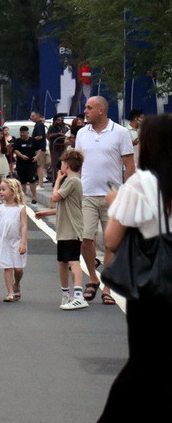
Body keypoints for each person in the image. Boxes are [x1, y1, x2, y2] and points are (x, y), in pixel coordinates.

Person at [83, 114, 172, 423]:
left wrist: (114, 203)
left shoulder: (142, 183)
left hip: (153, 287)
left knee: (144, 362)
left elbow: (112, 239)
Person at [74, 96, 134, 306]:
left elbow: (129, 165)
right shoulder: (82, 133)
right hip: (87, 194)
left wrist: (127, 192)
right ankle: (93, 277)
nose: (85, 111)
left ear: (101, 110)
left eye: (89, 107)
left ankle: (106, 286)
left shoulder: (120, 132)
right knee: (85, 239)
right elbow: (77, 163)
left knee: (111, 243)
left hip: (112, 196)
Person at [35, 149, 88, 310]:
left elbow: (54, 197)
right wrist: (47, 212)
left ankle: (78, 295)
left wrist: (58, 179)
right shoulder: (72, 181)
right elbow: (64, 206)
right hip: (65, 228)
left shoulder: (72, 181)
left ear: (67, 165)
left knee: (73, 260)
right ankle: (66, 294)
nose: (61, 167)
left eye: (63, 164)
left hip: (72, 228)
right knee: (62, 262)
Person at [0, 178, 28, 302]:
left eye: (4, 189)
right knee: (7, 266)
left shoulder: (21, 208)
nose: (1, 192)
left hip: (17, 240)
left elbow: (24, 226)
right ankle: (10, 293)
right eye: (0, 189)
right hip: (3, 241)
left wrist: (23, 242)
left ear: (13, 191)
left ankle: (17, 283)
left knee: (18, 268)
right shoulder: (0, 208)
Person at [11, 125, 40, 204]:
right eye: (21, 133)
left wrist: (37, 157)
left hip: (31, 163)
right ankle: (22, 197)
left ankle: (34, 196)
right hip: (21, 163)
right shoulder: (18, 141)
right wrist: (21, 156)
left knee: (32, 180)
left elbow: (39, 149)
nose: (22, 134)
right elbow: (15, 150)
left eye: (24, 133)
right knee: (22, 181)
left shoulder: (33, 140)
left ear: (27, 132)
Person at [30, 111, 48, 187]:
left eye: (33, 116)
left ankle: (41, 183)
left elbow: (40, 136)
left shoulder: (40, 125)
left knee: (39, 166)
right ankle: (40, 182)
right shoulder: (37, 125)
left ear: (38, 116)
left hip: (39, 148)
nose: (31, 117)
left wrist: (32, 139)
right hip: (37, 148)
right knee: (38, 165)